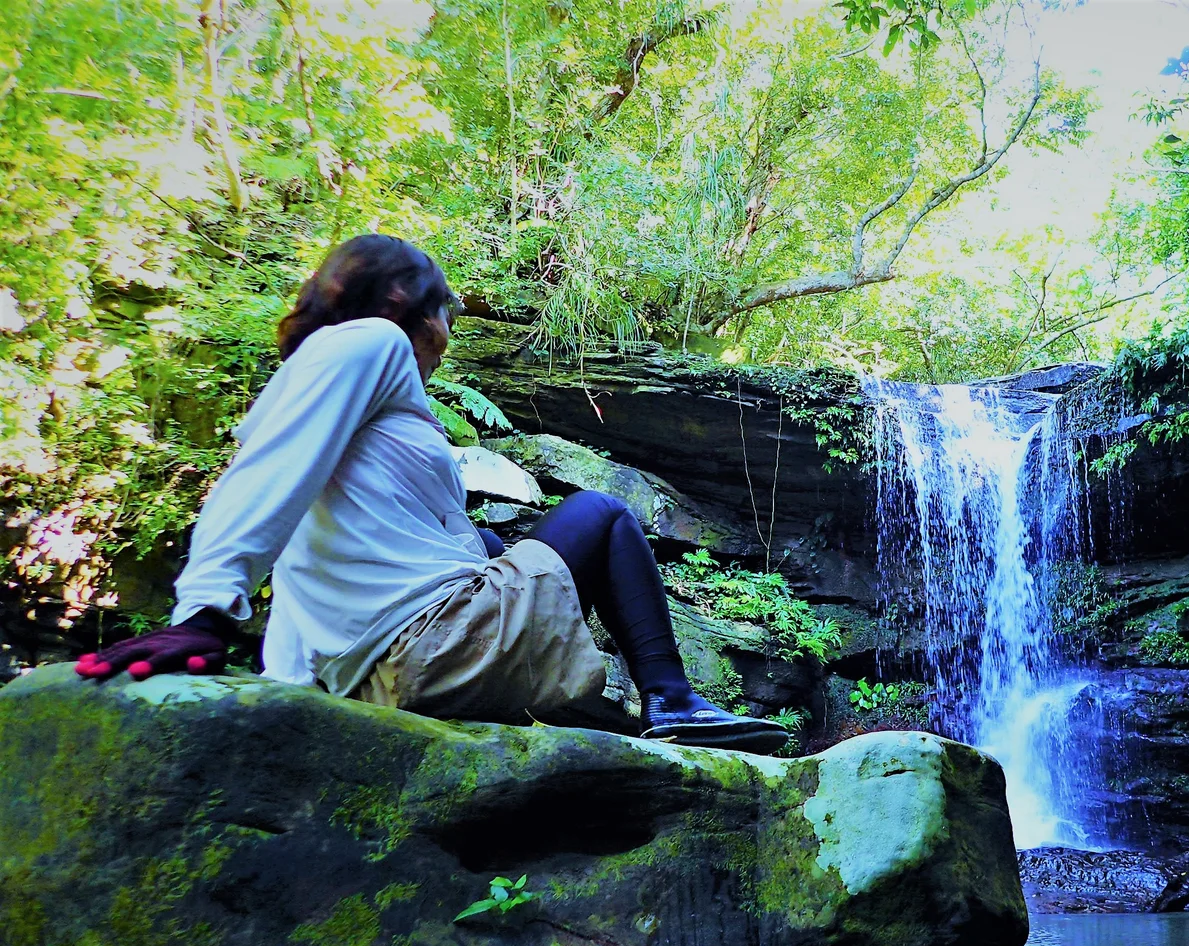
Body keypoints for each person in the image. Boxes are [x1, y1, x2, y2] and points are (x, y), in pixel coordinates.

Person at [77, 234, 789, 754]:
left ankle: (640, 704)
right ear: (403, 302)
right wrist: (205, 611)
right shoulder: (369, 344)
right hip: (430, 648)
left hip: (381, 676)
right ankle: (672, 701)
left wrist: (289, 692)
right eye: (447, 312)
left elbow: (300, 537)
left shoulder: (323, 379)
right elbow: (266, 475)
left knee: (481, 544)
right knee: (601, 514)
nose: (449, 335)